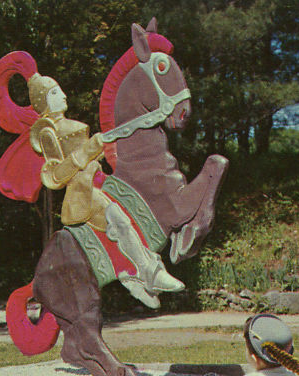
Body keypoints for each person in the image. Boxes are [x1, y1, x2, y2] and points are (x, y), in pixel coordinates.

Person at [26, 73, 183, 307]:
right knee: (116, 215)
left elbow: (93, 156)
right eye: (55, 92)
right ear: (44, 101)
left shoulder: (74, 126)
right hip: (81, 194)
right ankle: (150, 272)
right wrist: (87, 151)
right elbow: (55, 176)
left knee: (132, 206)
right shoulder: (48, 132)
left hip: (98, 181)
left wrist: (104, 147)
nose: (64, 95)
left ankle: (132, 278)